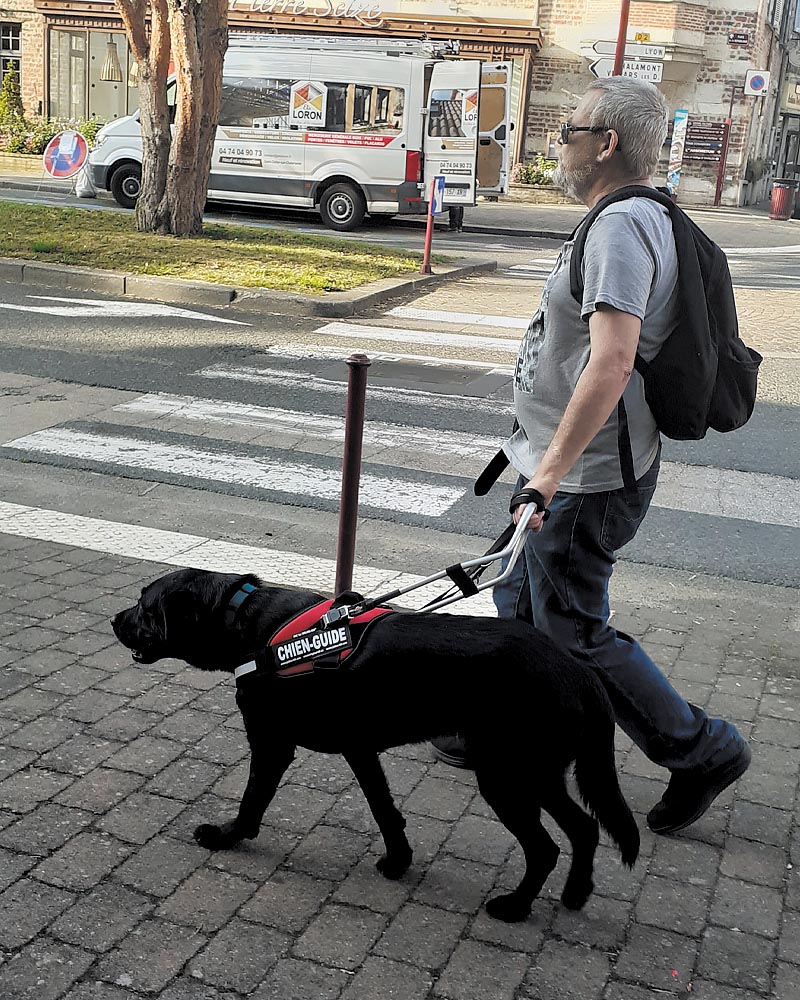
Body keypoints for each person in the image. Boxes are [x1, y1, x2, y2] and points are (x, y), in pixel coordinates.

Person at [432, 77, 750, 836]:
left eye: (569, 129)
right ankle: (504, 728)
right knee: (517, 601)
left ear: (605, 142)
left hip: (584, 479)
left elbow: (611, 362)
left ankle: (700, 749)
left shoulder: (620, 228)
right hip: (563, 465)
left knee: (572, 628)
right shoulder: (629, 220)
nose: (558, 143)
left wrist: (545, 479)